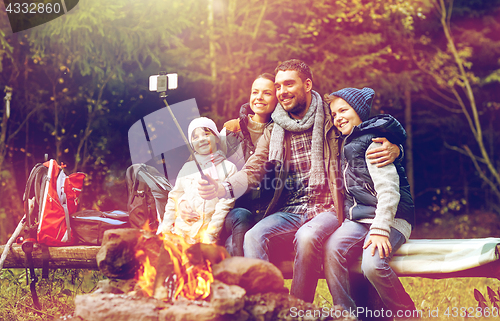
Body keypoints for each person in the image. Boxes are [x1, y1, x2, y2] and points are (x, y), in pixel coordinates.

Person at [198, 59, 401, 303]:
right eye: (279, 86)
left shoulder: (330, 117)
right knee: (253, 236)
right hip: (292, 208)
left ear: (307, 84)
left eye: (289, 84)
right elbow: (253, 169)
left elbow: (365, 129)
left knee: (306, 237)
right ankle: (271, 306)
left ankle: (297, 308)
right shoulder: (274, 130)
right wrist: (223, 187)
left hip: (330, 207)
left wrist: (395, 146)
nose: (282, 91)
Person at [323, 87, 417, 319]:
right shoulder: (346, 142)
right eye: (334, 114)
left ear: (359, 111)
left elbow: (389, 191)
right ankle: (345, 314)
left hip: (391, 218)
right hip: (360, 218)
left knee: (372, 265)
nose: (338, 118)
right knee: (332, 249)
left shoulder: (374, 144)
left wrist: (380, 230)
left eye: (344, 110)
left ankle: (407, 313)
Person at [219, 73, 277, 256]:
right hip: (233, 211)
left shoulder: (281, 133)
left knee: (237, 245)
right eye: (255, 92)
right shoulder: (231, 129)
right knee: (231, 244)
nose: (259, 97)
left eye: (267, 93)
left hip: (267, 214)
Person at [157, 117, 237, 244]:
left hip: (207, 237)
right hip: (181, 233)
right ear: (192, 144)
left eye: (206, 134)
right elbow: (174, 197)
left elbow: (225, 205)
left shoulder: (229, 168)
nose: (202, 139)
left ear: (216, 137)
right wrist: (166, 230)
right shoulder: (187, 167)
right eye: (195, 137)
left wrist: (210, 235)